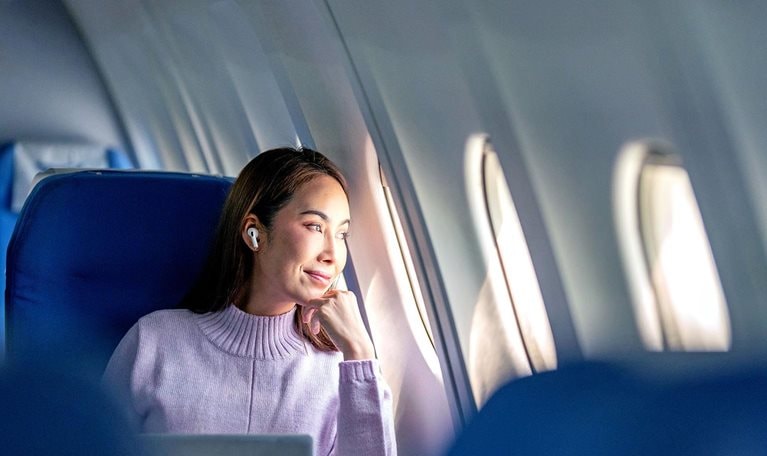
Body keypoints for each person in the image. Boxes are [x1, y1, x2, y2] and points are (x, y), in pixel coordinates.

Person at [103, 147, 396, 456]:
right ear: (254, 233)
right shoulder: (154, 341)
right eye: (314, 226)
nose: (332, 255)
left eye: (342, 234)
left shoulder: (337, 369)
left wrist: (360, 353)